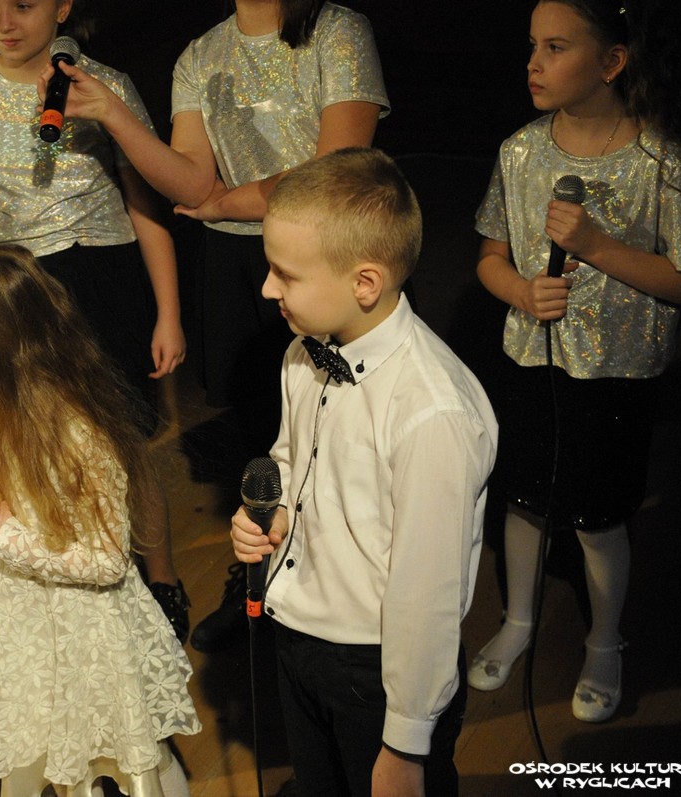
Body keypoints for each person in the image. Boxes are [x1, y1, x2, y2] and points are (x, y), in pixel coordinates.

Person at [52, 0, 389, 652]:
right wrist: (115, 116)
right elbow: (189, 178)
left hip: (330, 251)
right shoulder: (200, 55)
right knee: (263, 431)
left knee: (347, 427)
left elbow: (336, 169)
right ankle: (263, 579)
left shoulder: (337, 30)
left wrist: (225, 201)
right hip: (238, 258)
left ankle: (353, 588)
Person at [230, 148, 497, 796]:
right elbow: (292, 456)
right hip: (297, 633)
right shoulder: (303, 354)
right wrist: (277, 510)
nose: (267, 289)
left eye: (285, 274)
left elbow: (427, 594)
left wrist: (404, 743)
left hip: (377, 670)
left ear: (365, 283)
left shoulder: (431, 414)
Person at [0, 0, 191, 640]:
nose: (5, 21)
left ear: (63, 6)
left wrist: (169, 313)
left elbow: (144, 208)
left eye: (24, 4)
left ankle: (160, 581)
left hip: (106, 280)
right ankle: (62, 579)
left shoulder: (103, 84)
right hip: (22, 295)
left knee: (125, 441)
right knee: (36, 438)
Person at [469, 0, 681, 723]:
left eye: (556, 47)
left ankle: (605, 639)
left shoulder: (663, 163)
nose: (533, 63)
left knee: (598, 516)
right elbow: (490, 256)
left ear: (611, 62)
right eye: (532, 45)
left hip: (618, 373)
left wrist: (597, 247)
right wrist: (520, 290)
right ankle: (519, 620)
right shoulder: (519, 152)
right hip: (531, 361)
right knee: (525, 498)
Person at [0, 244, 200, 797]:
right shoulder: (3, 410)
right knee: (39, 743)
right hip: (32, 617)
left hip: (86, 626)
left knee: (126, 753)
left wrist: (6, 537)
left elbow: (107, 560)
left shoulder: (78, 435)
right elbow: (20, 490)